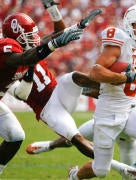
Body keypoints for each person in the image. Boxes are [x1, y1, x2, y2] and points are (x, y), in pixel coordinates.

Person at [68, 4, 136, 180]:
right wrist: (123, 78)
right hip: (108, 112)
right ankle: (74, 175)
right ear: (128, 24)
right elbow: (96, 72)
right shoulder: (120, 41)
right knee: (101, 170)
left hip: (131, 109)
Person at [0, 0, 91, 175]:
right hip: (42, 106)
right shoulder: (7, 49)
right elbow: (25, 58)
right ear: (15, 37)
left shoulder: (26, 52)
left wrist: (54, 11)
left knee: (15, 136)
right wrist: (53, 45)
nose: (33, 38)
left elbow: (58, 35)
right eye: (28, 35)